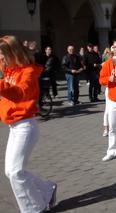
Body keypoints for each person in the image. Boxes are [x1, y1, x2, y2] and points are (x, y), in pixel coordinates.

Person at [0, 35, 57, 212]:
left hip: (26, 126)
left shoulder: (28, 72)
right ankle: (47, 189)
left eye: (3, 56)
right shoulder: (9, 69)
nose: (1, 59)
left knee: (16, 171)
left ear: (12, 54)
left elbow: (20, 93)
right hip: (14, 126)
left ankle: (34, 208)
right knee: (11, 172)